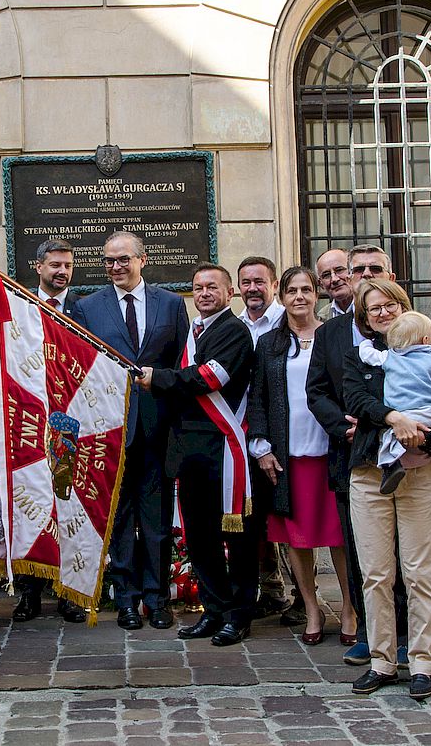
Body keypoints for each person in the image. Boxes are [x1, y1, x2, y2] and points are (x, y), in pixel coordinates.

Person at [343, 279, 431, 699]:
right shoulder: (362, 358)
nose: (382, 313)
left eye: (388, 305)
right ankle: (381, 660)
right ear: (365, 316)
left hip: (422, 470)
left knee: (420, 572)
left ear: (402, 307)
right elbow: (357, 399)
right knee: (376, 573)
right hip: (369, 472)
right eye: (372, 308)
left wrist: (426, 436)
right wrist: (395, 418)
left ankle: (422, 663)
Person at [142, 263, 258, 646]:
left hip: (223, 452)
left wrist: (157, 378)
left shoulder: (235, 332)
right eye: (198, 287)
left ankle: (239, 615)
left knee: (235, 538)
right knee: (200, 538)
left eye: (213, 287)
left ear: (230, 292)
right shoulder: (192, 333)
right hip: (189, 453)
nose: (205, 293)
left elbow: (211, 378)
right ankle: (214, 610)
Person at [76, 231, 188, 630]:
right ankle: (126, 599)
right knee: (120, 519)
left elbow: (179, 365)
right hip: (110, 431)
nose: (115, 267)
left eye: (123, 259)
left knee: (156, 518)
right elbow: (81, 368)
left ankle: (157, 600)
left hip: (158, 428)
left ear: (142, 259)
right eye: (108, 261)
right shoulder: (88, 307)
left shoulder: (172, 305)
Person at [245, 265, 355, 646]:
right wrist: (261, 446)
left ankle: (349, 607)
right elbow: (258, 397)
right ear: (282, 296)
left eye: (306, 289)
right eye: (292, 290)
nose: (299, 297)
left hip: (332, 451)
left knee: (339, 536)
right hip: (289, 455)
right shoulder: (270, 344)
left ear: (316, 294)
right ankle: (310, 607)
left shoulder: (334, 336)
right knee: (298, 539)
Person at [305, 245, 398, 667]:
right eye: (353, 270)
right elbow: (317, 391)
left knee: (405, 552)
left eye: (368, 269)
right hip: (351, 456)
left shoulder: (405, 326)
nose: (359, 276)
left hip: (404, 458)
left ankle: (410, 632)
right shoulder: (330, 333)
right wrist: (343, 426)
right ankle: (369, 631)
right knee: (363, 551)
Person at [11, 238, 88, 625]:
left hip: (68, 424)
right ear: (38, 266)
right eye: (55, 265)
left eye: (68, 266)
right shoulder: (21, 307)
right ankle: (28, 593)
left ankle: (68, 592)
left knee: (66, 501)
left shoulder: (83, 309)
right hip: (27, 422)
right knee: (31, 503)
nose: (62, 271)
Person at [236, 255, 294, 621]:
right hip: (240, 434)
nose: (253, 288)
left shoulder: (288, 323)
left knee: (291, 515)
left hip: (284, 436)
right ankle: (271, 589)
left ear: (273, 286)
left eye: (260, 281)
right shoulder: (235, 326)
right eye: (246, 282)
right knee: (255, 516)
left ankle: (305, 595)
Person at [357, 311, 431, 497]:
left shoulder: (389, 357)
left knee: (387, 436)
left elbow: (368, 356)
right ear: (426, 339)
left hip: (403, 415)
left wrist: (365, 343)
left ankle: (392, 466)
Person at [315, 248, 353, 321]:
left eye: (339, 270)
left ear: (352, 272)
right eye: (326, 275)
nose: (334, 279)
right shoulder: (321, 318)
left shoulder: (372, 309)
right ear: (321, 284)